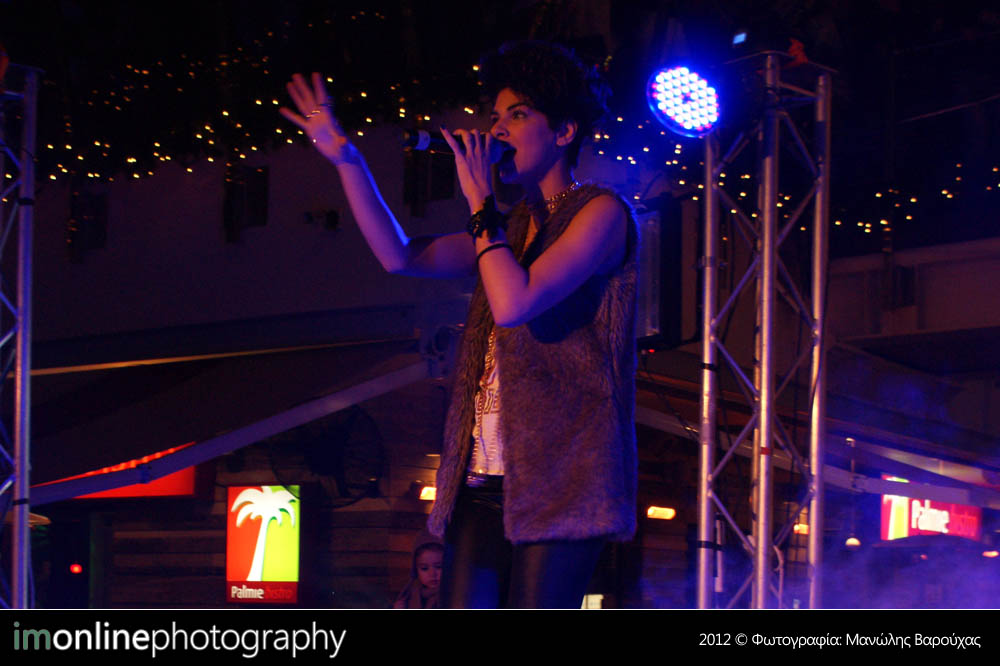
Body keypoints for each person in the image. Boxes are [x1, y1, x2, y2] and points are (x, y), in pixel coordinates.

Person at [282, 41, 637, 608]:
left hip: (564, 478)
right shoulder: (506, 227)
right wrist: (348, 160)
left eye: (518, 114)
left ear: (564, 131)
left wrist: (479, 202)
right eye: (495, 117)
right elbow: (400, 255)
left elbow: (515, 303)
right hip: (480, 477)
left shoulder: (602, 213)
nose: (497, 130)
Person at [394, 540, 444, 609]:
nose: (432, 574)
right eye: (424, 568)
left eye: (439, 567)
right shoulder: (410, 592)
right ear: (416, 570)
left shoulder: (452, 594)